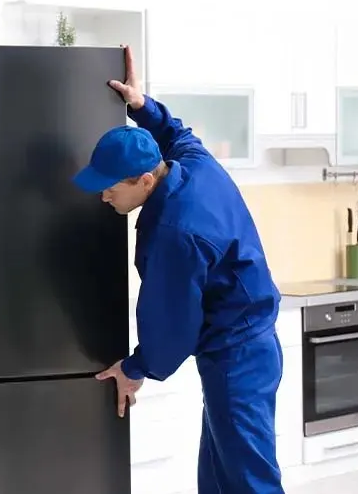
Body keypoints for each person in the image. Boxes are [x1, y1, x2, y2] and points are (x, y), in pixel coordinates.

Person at [80, 46, 285, 494]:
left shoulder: (176, 232)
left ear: (144, 181)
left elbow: (173, 322)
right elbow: (178, 134)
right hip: (243, 345)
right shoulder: (192, 164)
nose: (103, 196)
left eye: (110, 188)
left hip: (237, 356)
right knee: (218, 478)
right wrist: (141, 106)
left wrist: (135, 368)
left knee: (250, 481)